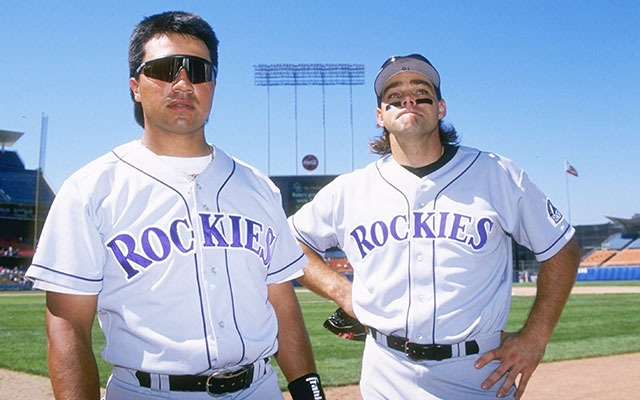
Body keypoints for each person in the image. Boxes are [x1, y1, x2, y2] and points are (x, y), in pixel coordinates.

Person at [26, 11, 324, 400]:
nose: (183, 83)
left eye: (198, 71)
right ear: (135, 85)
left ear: (213, 84)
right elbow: (67, 324)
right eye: (165, 69)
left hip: (260, 389)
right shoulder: (90, 189)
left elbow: (282, 302)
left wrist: (308, 391)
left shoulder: (258, 187)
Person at [289, 54, 581, 399]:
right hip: (386, 372)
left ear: (440, 108)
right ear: (380, 116)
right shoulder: (351, 189)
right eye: (393, 96)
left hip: (476, 373)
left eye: (421, 92)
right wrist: (343, 294)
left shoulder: (495, 173)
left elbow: (563, 247)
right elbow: (290, 241)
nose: (407, 99)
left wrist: (536, 336)